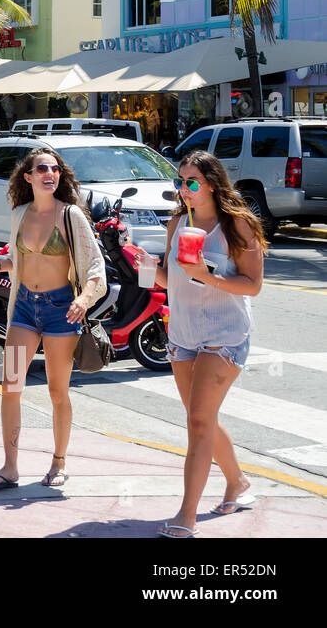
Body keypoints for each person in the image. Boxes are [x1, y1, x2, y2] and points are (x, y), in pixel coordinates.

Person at [153, 150, 266, 538]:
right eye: (179, 182)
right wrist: (149, 267)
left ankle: (187, 515)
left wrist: (207, 275)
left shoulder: (237, 226)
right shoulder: (177, 223)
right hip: (182, 334)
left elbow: (252, 285)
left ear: (213, 184)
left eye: (192, 182)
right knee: (202, 418)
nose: (184, 190)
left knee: (199, 421)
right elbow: (170, 280)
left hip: (224, 335)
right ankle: (237, 482)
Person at [0, 148, 106, 492]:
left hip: (60, 310)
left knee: (56, 391)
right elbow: (18, 261)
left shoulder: (71, 216)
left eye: (55, 169)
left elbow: (95, 265)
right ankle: (10, 468)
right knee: (10, 387)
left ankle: (59, 460)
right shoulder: (20, 213)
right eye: (42, 169)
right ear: (28, 177)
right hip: (23, 308)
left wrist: (83, 298)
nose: (50, 174)